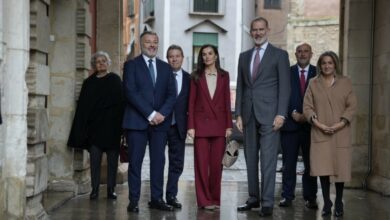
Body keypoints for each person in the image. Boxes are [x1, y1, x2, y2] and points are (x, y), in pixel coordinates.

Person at [235, 17, 290, 217]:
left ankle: (267, 202)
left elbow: (285, 87)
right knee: (250, 158)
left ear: (268, 30)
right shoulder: (244, 56)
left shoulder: (280, 55)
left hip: (270, 116)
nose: (257, 33)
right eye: (254, 30)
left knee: (268, 160)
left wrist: (281, 114)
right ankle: (253, 197)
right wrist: (238, 114)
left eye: (261, 29)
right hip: (248, 115)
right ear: (251, 32)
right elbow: (241, 86)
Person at [122, 31, 176, 213]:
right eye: (148, 42)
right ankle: (134, 200)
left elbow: (171, 95)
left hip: (160, 124)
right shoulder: (131, 65)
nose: (152, 45)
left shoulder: (166, 67)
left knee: (158, 162)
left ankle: (156, 198)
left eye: (155, 42)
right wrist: (150, 114)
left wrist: (161, 114)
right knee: (135, 163)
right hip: (137, 123)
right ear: (141, 44)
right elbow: (130, 92)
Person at [303, 51, 357, 217]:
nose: (327, 66)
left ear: (335, 65)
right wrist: (319, 124)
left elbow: (352, 106)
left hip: (340, 132)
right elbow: (307, 107)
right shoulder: (313, 83)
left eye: (330, 63)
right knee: (323, 169)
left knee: (340, 169)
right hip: (320, 132)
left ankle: (339, 200)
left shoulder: (345, 82)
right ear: (320, 65)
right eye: (324, 63)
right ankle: (327, 202)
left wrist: (339, 124)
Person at [68, 51, 124, 200]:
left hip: (112, 129)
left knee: (112, 162)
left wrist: (122, 129)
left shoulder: (115, 80)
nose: (101, 63)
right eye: (98, 61)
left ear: (108, 63)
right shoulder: (89, 83)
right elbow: (83, 109)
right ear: (94, 65)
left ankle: (111, 189)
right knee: (94, 161)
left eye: (103, 61)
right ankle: (95, 189)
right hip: (95, 130)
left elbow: (121, 105)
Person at [187, 44, 232, 210]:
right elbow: (190, 103)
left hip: (220, 125)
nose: (207, 57)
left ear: (216, 56)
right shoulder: (195, 76)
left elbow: (227, 101)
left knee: (216, 166)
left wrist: (229, 125)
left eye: (210, 53)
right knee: (201, 165)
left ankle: (215, 199)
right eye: (204, 54)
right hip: (200, 126)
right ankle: (204, 201)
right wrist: (191, 126)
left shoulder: (224, 75)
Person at [279, 43, 318, 208]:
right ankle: (287, 196)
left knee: (312, 164)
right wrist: (293, 112)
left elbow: (322, 98)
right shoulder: (287, 73)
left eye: (306, 51)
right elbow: (282, 95)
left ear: (311, 54)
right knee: (289, 163)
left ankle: (310, 197)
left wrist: (307, 115)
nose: (303, 54)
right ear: (295, 54)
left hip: (311, 126)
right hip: (290, 125)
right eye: (300, 52)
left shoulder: (319, 73)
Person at [165, 45, 191, 209]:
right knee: (158, 161)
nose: (174, 59)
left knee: (177, 163)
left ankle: (171, 195)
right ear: (167, 59)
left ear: (182, 58)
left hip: (179, 126)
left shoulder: (190, 79)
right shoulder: (161, 75)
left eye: (177, 56)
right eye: (171, 56)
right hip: (160, 125)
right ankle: (156, 196)